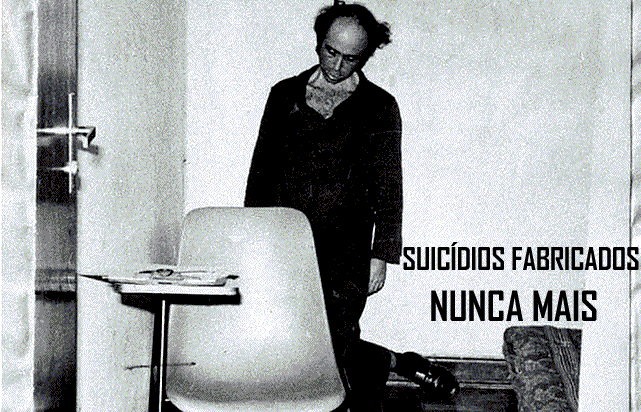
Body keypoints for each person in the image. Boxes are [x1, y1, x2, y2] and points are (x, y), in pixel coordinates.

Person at [245, 2, 459, 410]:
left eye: (351, 58)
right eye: (331, 52)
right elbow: (261, 174)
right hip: (286, 242)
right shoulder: (283, 95)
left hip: (347, 250)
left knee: (336, 341)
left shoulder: (379, 106)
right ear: (318, 42)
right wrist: (254, 242)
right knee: (293, 339)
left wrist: (381, 254)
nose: (337, 65)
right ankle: (400, 363)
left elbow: (389, 185)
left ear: (366, 56)